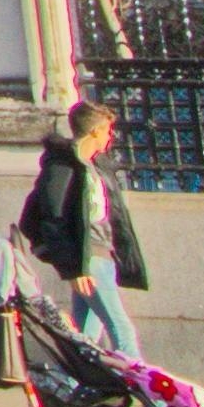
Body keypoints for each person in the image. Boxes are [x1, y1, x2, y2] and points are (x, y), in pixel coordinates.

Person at [16, 99, 153, 363]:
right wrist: (74, 268)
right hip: (89, 259)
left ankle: (69, 389)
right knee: (121, 328)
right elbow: (53, 218)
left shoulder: (98, 167)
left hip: (104, 255)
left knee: (86, 335)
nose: (110, 137)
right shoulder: (63, 166)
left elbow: (113, 217)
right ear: (93, 132)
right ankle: (148, 392)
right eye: (107, 131)